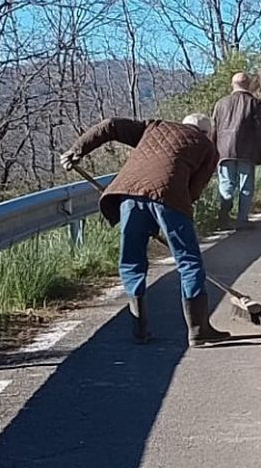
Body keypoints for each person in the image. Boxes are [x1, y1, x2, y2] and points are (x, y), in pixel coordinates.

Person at [61, 112, 226, 346]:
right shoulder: (208, 148)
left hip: (129, 194)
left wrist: (77, 150)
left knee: (132, 261)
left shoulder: (155, 127)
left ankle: (140, 330)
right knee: (189, 261)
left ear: (182, 123)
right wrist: (167, 218)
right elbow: (193, 191)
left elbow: (111, 125)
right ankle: (198, 330)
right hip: (170, 199)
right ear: (207, 133)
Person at [210, 71, 261, 230]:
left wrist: (212, 151)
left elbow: (214, 129)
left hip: (224, 151)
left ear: (232, 84)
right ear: (248, 84)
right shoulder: (255, 103)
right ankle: (242, 220)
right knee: (246, 186)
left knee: (226, 184)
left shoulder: (220, 104)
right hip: (247, 151)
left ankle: (223, 218)